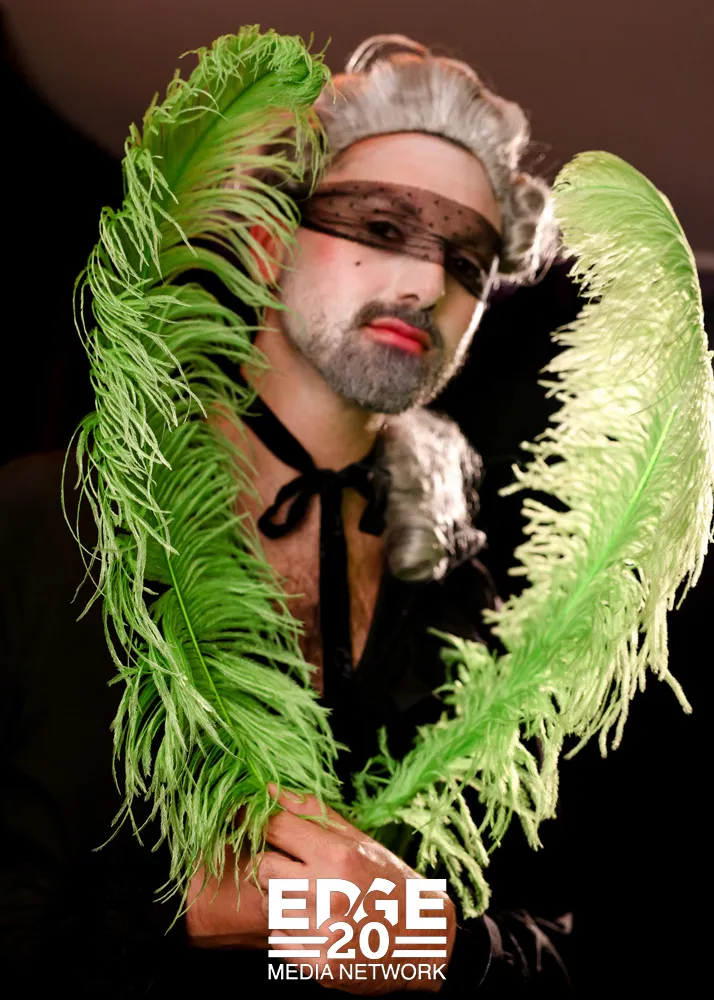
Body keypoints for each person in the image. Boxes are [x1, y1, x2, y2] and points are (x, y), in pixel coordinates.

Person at [0, 32, 572, 996]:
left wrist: (428, 945)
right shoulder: (46, 527)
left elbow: (563, 932)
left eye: (467, 260)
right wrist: (185, 921)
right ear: (269, 240)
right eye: (382, 227)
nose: (425, 286)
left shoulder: (477, 609)